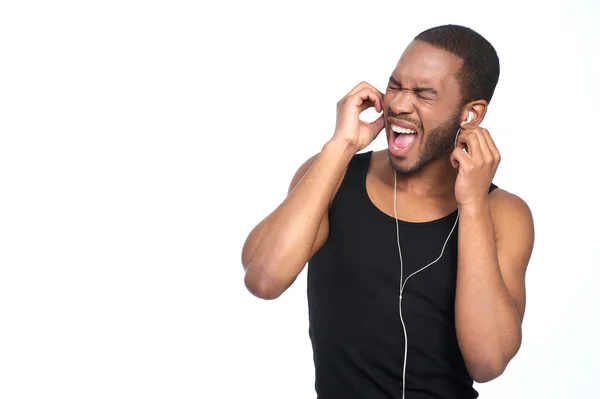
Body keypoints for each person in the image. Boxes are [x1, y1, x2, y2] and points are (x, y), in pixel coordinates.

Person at [241, 24, 535, 399]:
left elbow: (488, 362)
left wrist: (472, 203)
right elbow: (264, 279)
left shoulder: (504, 213)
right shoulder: (332, 175)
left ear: (471, 114)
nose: (398, 104)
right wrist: (341, 146)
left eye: (424, 94)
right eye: (395, 86)